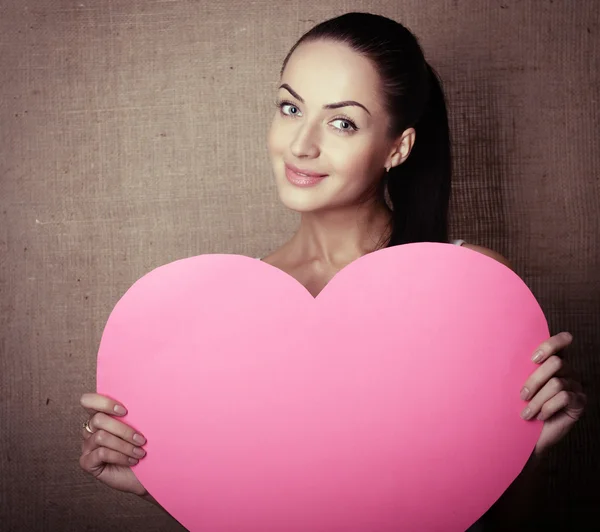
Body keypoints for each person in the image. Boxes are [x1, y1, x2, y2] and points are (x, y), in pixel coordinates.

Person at [79, 12, 587, 529]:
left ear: (398, 146)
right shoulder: (225, 310)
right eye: (290, 107)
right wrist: (158, 480)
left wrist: (527, 449)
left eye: (342, 121)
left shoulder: (474, 288)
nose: (301, 144)